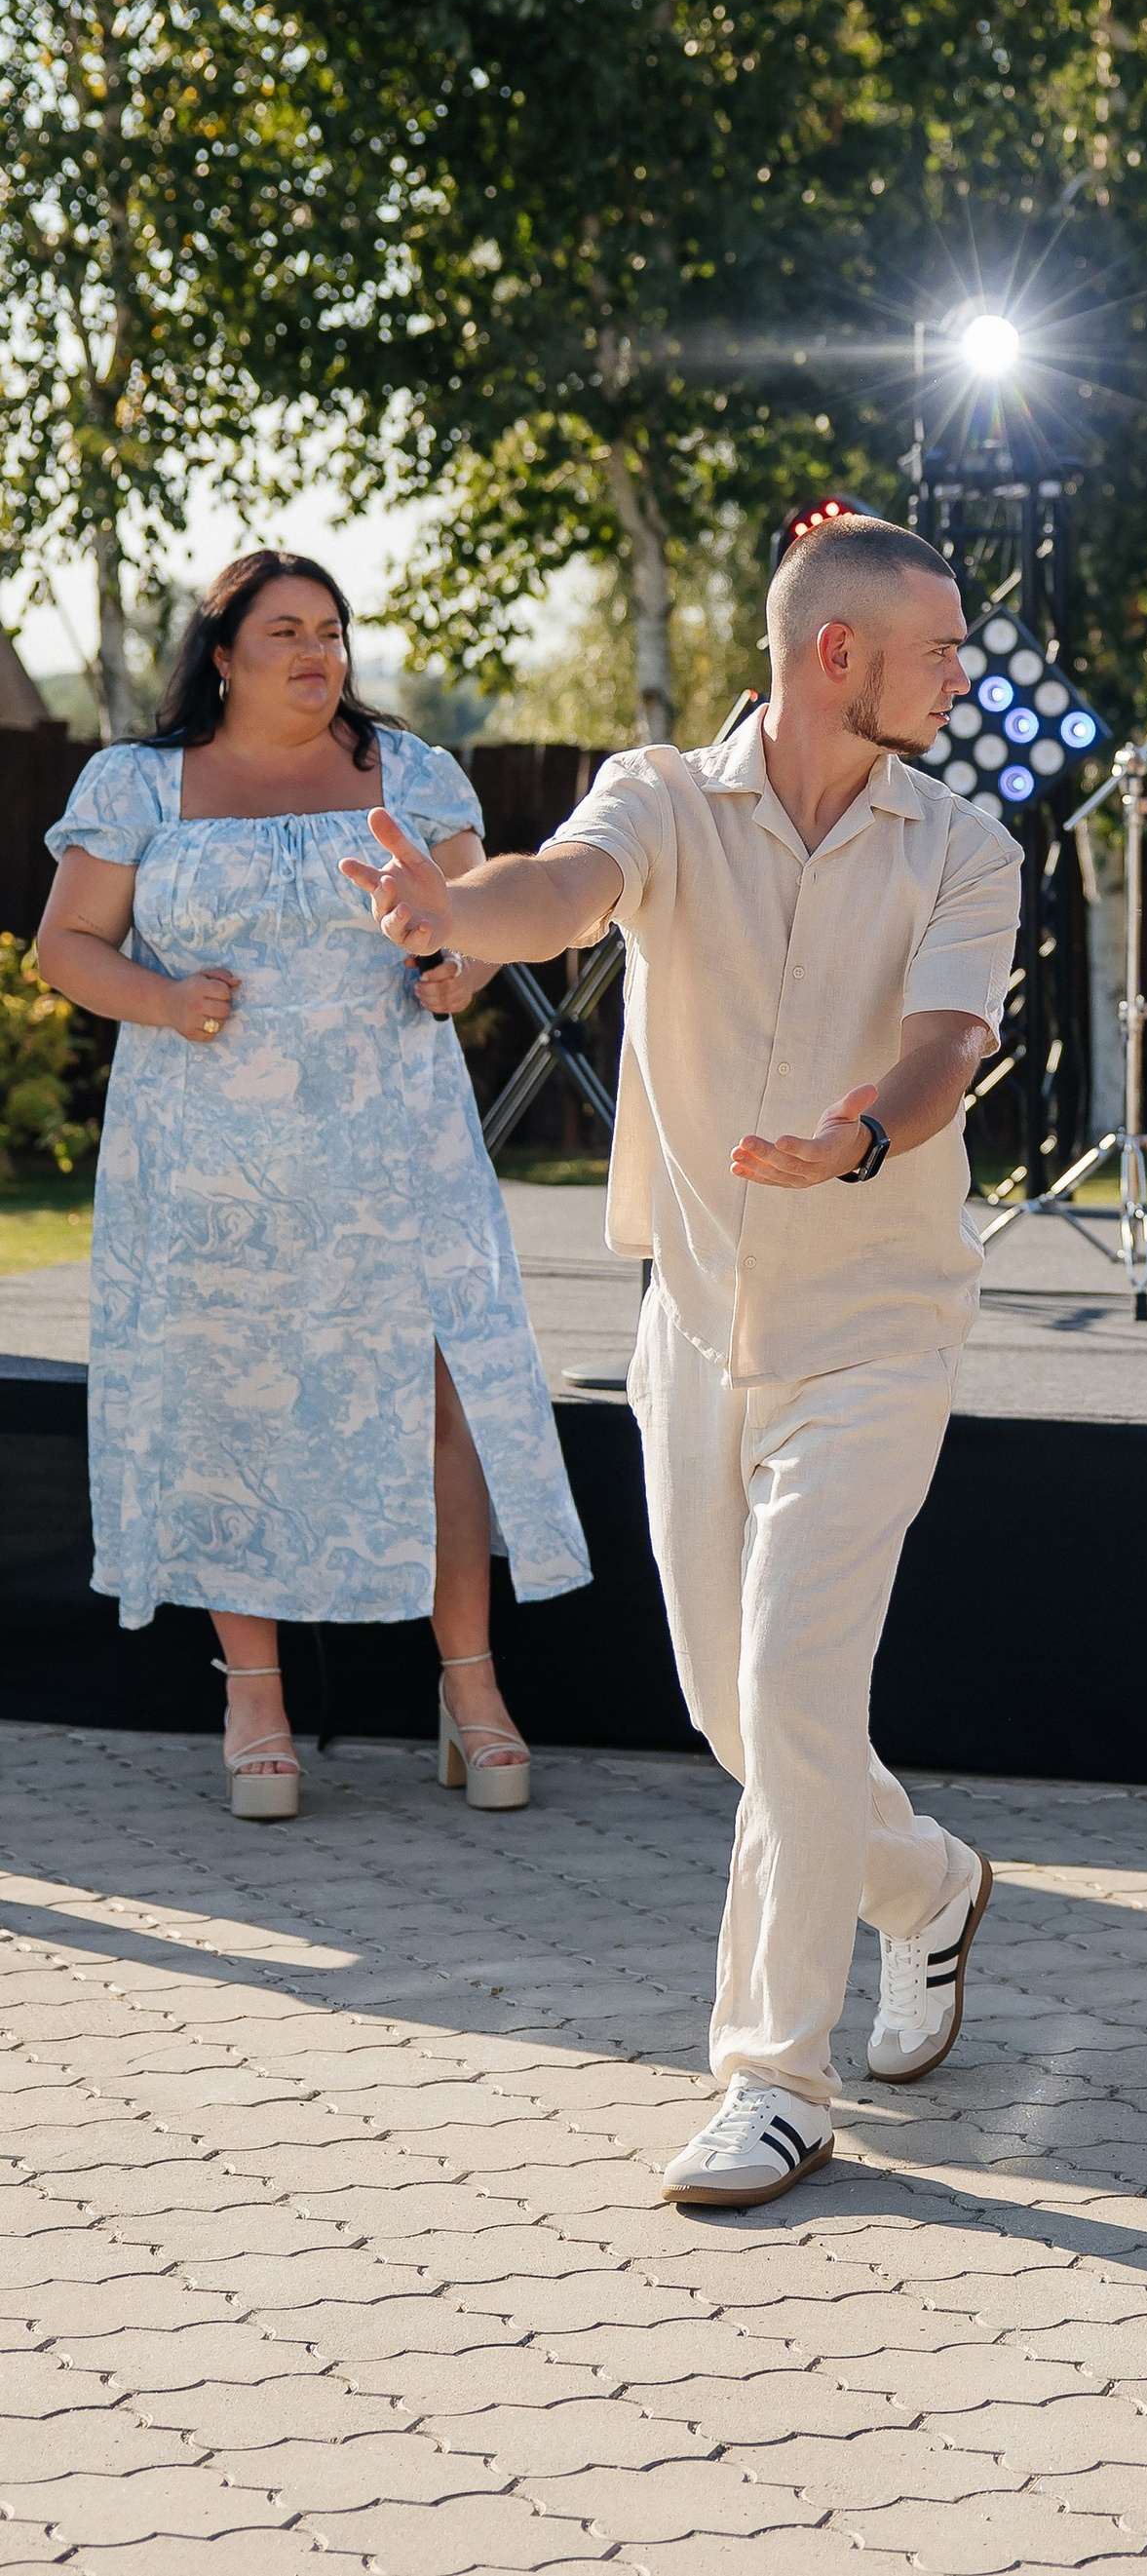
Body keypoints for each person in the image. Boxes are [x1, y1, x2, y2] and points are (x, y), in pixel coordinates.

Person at [340, 513, 1023, 2211]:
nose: (964, 672)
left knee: (792, 1694)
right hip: (699, 1327)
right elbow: (561, 888)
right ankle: (927, 1885)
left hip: (878, 1328)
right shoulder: (658, 797)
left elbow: (948, 1039)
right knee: (735, 1712)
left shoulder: (966, 844)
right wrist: (459, 908)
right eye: (940, 645)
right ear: (836, 653)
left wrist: (861, 1136)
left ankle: (771, 2080)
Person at [37, 551, 589, 1822]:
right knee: (231, 1406)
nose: (315, 651)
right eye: (284, 630)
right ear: (222, 652)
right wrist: (163, 999)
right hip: (208, 1161)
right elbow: (67, 943)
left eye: (331, 630)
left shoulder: (411, 773)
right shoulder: (136, 783)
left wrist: (454, 965)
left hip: (396, 1150)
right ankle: (254, 1699)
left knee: (439, 1398)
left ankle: (471, 1689)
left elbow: (478, 920)